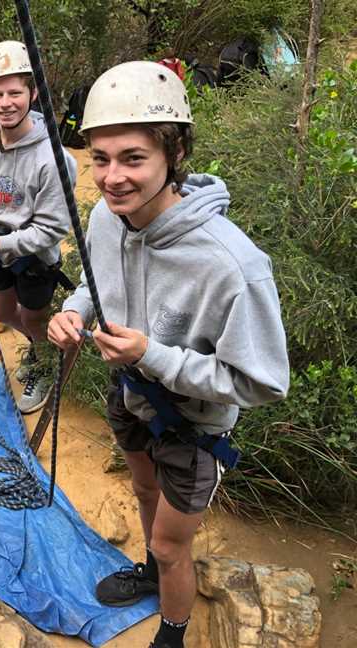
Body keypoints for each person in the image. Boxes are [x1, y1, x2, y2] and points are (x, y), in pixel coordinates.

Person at [47, 61, 289, 648]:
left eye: (133, 158)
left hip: (192, 424)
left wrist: (154, 354)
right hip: (129, 393)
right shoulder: (108, 217)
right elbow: (98, 282)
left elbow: (261, 383)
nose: (111, 178)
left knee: (169, 541)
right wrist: (77, 309)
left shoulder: (232, 266)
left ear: (174, 151)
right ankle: (152, 575)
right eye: (99, 158)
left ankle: (173, 633)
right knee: (143, 492)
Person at [0, 40, 76, 413]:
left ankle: (43, 361)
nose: (5, 103)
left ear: (32, 92)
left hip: (35, 257)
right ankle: (37, 346)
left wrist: (0, 245)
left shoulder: (53, 158)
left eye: (15, 92)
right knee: (0, 312)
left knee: (33, 316)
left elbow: (52, 228)